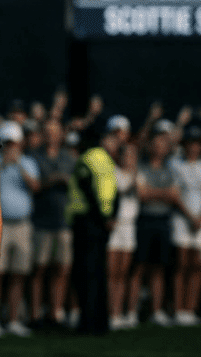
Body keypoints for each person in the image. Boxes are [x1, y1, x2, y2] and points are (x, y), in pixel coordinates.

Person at [66, 123, 121, 335]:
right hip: (103, 224)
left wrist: (101, 217)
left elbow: (88, 190)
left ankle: (87, 322)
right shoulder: (107, 160)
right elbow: (114, 191)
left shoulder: (86, 159)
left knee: (86, 274)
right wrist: (110, 218)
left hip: (87, 221)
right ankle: (101, 322)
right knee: (99, 273)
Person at [0, 121, 39, 338]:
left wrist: (18, 166)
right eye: (7, 143)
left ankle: (13, 321)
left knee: (18, 275)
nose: (11, 147)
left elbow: (35, 188)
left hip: (22, 225)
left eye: (14, 143)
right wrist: (3, 165)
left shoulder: (27, 163)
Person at [130, 119, 179, 327]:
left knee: (159, 268)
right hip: (144, 220)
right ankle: (131, 312)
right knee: (138, 268)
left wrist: (154, 193)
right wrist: (163, 194)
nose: (159, 147)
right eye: (156, 143)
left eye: (163, 144)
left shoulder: (170, 170)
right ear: (150, 146)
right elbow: (142, 195)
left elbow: (174, 196)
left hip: (163, 221)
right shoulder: (141, 167)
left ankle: (156, 311)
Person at [28, 117, 75, 327]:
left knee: (61, 269)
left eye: (55, 131)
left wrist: (57, 179)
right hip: (40, 221)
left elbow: (74, 182)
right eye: (47, 131)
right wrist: (55, 179)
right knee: (39, 268)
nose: (51, 135)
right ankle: (35, 314)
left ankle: (55, 313)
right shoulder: (33, 156)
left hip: (63, 221)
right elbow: (36, 184)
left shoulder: (69, 157)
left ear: (61, 134)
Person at [168, 123, 201, 327]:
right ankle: (178, 310)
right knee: (181, 264)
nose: (193, 147)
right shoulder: (175, 164)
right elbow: (175, 194)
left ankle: (190, 310)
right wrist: (190, 216)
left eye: (197, 144)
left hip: (200, 220)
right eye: (190, 143)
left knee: (198, 266)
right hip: (181, 219)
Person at [108, 140, 139, 329]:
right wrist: (134, 179)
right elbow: (119, 192)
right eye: (126, 154)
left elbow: (142, 194)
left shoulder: (136, 173)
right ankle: (110, 312)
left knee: (123, 273)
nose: (130, 159)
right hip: (115, 227)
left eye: (133, 155)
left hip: (130, 227)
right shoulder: (113, 173)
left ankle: (118, 313)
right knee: (111, 272)